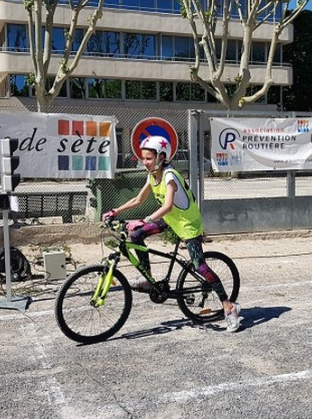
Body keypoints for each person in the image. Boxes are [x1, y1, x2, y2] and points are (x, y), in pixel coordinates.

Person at [101, 136, 240, 332]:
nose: (145, 162)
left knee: (200, 267)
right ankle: (147, 279)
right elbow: (138, 199)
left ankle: (229, 306)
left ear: (161, 157)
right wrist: (116, 211)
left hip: (188, 224)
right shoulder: (152, 175)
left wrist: (144, 219)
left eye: (149, 158)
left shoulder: (169, 176)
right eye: (143, 158)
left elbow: (166, 206)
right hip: (171, 220)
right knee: (136, 236)